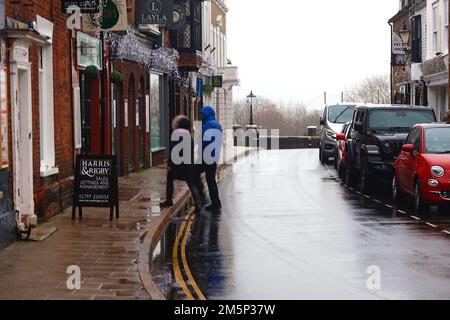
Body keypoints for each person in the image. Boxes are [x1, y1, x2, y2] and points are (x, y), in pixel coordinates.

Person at [160, 116, 204, 213]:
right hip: (188, 165)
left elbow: (172, 152)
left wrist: (170, 164)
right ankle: (198, 205)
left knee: (170, 178)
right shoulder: (189, 137)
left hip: (177, 165)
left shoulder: (176, 135)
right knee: (192, 184)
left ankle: (168, 200)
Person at [197, 106, 223, 212]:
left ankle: (201, 196)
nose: (201, 116)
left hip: (207, 156)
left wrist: (201, 152)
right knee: (211, 180)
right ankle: (216, 203)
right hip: (214, 156)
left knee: (192, 172)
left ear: (206, 115)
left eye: (202, 114)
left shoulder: (208, 124)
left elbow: (205, 141)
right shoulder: (217, 124)